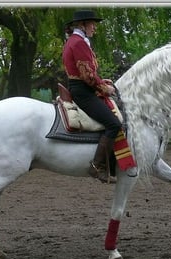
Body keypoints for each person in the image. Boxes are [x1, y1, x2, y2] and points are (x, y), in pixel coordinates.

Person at [62, 10, 121, 183]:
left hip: (82, 88)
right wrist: (105, 88)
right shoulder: (79, 43)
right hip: (84, 92)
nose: (95, 27)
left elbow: (85, 72)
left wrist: (101, 80)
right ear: (82, 25)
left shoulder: (74, 41)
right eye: (92, 24)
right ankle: (97, 166)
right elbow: (87, 74)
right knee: (113, 124)